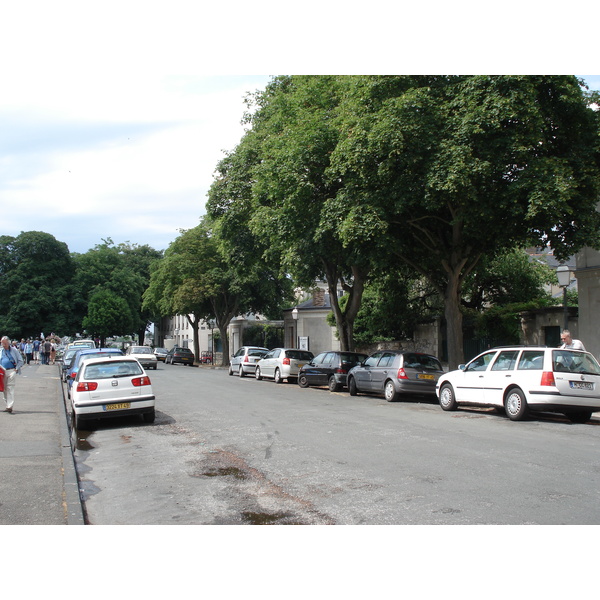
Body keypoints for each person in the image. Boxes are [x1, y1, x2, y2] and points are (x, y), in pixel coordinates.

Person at [1, 336, 24, 413]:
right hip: (2, 371)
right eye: (2, 343)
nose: (3, 345)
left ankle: (9, 406)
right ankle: (7, 405)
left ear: (8, 343)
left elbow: (21, 361)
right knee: (4, 389)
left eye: (5, 343)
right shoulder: (1, 351)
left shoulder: (14, 350)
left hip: (11, 370)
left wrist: (16, 369)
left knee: (10, 388)